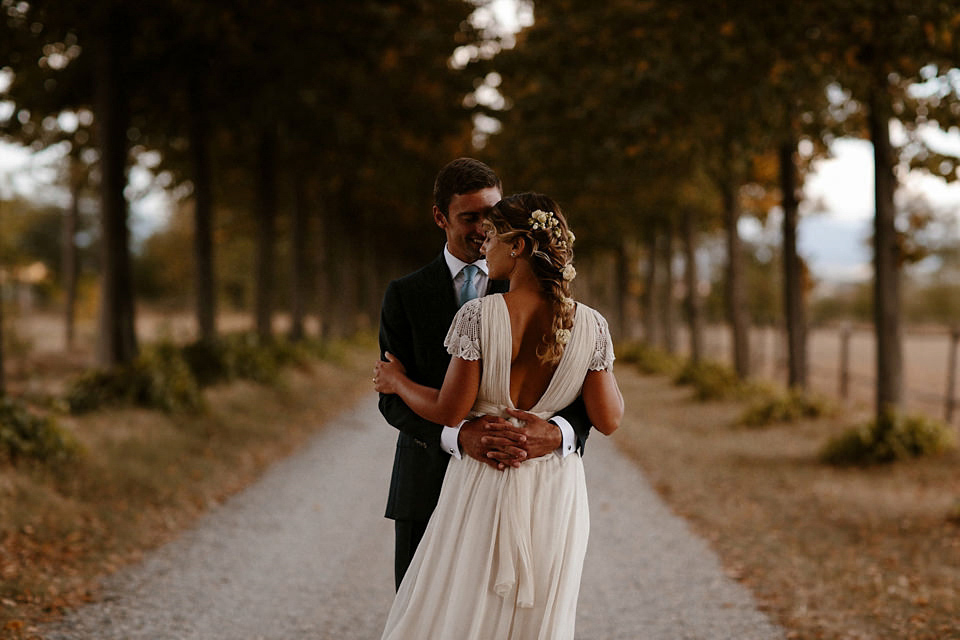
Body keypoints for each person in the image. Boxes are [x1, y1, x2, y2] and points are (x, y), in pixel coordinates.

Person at [374, 193, 623, 639]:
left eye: (491, 238)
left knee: (464, 609)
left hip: (482, 483)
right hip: (553, 489)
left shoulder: (479, 315)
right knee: (538, 618)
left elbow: (449, 410)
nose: (483, 248)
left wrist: (398, 383)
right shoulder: (591, 325)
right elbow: (609, 418)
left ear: (519, 246)